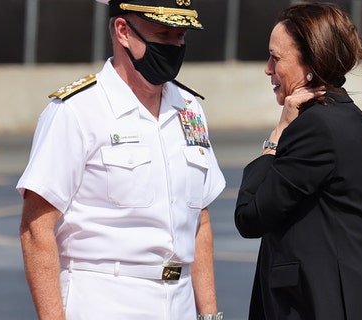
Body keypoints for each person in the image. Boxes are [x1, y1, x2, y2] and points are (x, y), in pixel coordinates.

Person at [17, 1, 225, 319]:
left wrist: (209, 313)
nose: (173, 46)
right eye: (162, 34)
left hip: (179, 302)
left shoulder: (189, 108)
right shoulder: (77, 111)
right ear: (123, 31)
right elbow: (37, 228)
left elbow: (200, 220)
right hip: (105, 300)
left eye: (179, 36)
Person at [234, 2, 362, 319]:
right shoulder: (345, 115)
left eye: (276, 58)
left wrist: (276, 135)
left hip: (323, 305)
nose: (268, 69)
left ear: (310, 61)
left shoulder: (315, 127)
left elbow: (250, 216)